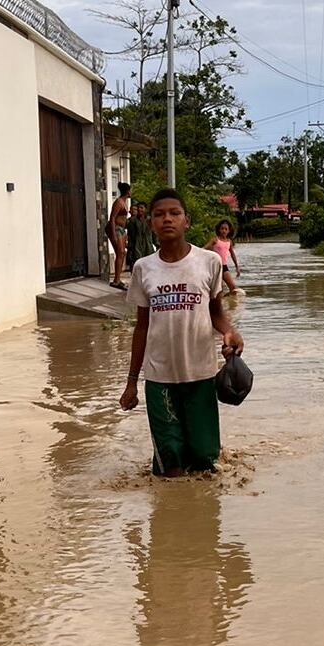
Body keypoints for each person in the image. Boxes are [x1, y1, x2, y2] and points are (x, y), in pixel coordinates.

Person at [120, 188, 245, 477]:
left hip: (201, 375)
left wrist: (229, 332)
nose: (167, 219)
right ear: (150, 222)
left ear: (186, 220)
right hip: (159, 378)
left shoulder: (208, 262)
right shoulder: (143, 268)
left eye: (174, 213)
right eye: (159, 214)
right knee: (170, 463)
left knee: (205, 461)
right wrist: (131, 382)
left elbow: (215, 313)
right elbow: (141, 327)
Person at [203, 220, 243, 295]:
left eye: (226, 229)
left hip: (224, 266)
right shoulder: (215, 240)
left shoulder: (229, 242)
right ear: (219, 229)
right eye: (222, 228)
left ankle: (230, 303)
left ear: (229, 231)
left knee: (233, 288)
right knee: (216, 290)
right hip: (214, 266)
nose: (224, 231)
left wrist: (237, 267)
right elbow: (204, 249)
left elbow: (232, 254)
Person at [106, 182, 131, 290]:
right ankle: (116, 280)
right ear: (127, 191)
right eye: (130, 190)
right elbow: (112, 218)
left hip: (121, 229)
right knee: (120, 252)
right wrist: (113, 234)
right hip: (116, 228)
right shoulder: (119, 202)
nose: (131, 192)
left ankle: (118, 278)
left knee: (122, 253)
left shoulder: (124, 202)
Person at [126, 201, 157, 270]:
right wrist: (129, 248)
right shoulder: (132, 221)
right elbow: (130, 235)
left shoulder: (150, 220)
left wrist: (157, 244)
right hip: (137, 247)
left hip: (148, 247)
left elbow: (154, 233)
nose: (140, 209)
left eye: (141, 208)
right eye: (138, 208)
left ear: (145, 209)